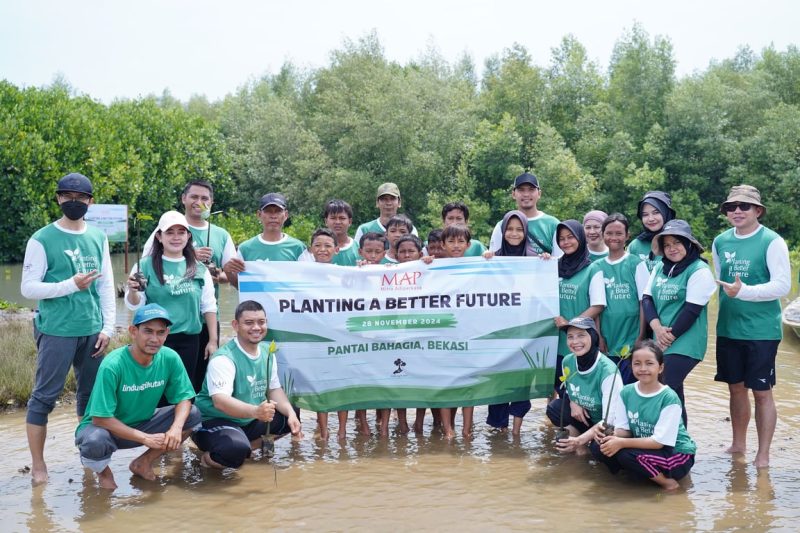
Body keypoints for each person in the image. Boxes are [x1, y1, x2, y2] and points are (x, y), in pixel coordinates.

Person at [20, 172, 115, 485]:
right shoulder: (42, 238)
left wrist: (108, 327)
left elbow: (106, 286)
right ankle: (38, 465)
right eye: (67, 196)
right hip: (57, 330)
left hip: (92, 330)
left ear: (90, 201)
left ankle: (90, 459)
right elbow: (28, 289)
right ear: (59, 198)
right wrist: (69, 285)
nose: (73, 202)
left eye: (80, 197)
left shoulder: (98, 237)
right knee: (43, 398)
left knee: (89, 399)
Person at [74, 304, 201, 490]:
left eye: (160, 332)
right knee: (95, 442)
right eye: (148, 331)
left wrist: (176, 428)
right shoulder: (113, 364)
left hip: (143, 423)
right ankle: (104, 473)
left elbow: (184, 398)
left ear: (167, 334)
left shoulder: (170, 357)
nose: (154, 339)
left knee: (193, 414)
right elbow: (100, 418)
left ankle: (143, 462)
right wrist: (144, 438)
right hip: (106, 430)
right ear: (133, 331)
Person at [712, 185, 791, 468]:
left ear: (757, 210)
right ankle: (738, 443)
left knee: (762, 392)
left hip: (762, 331)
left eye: (744, 206)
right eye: (731, 207)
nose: (737, 211)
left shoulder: (772, 241)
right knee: (735, 389)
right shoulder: (720, 241)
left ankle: (763, 454)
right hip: (728, 329)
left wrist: (744, 292)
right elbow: (720, 282)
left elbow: (783, 286)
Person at [143, 180, 236, 392]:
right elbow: (148, 266)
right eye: (194, 197)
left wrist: (214, 274)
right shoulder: (165, 228)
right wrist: (190, 257)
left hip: (205, 318)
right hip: (167, 321)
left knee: (200, 377)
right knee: (162, 380)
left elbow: (228, 275)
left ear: (211, 202)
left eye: (205, 198)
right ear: (184, 199)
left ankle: (194, 420)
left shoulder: (221, 235)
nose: (199, 202)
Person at [193, 300, 302, 469]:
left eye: (261, 322)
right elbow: (220, 401)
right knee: (234, 450)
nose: (256, 328)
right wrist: (256, 411)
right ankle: (209, 459)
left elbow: (273, 389)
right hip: (214, 420)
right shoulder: (224, 358)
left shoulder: (268, 351)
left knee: (291, 413)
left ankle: (247, 448)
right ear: (235, 325)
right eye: (249, 323)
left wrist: (291, 414)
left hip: (248, 418)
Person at [125, 211, 217, 392]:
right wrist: (133, 291)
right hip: (155, 339)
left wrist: (213, 340)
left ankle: (183, 420)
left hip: (190, 340)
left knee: (184, 389)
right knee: (155, 389)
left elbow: (209, 306)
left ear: (188, 236)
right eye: (170, 232)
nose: (176, 237)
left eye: (181, 232)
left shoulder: (199, 269)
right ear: (159, 236)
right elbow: (134, 304)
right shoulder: (144, 265)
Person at [590, 340, 696, 491]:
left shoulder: (669, 397)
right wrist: (607, 433)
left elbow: (658, 442)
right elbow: (624, 431)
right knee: (598, 445)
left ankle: (667, 483)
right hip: (646, 449)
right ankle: (635, 475)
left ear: (660, 368)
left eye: (649, 363)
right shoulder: (626, 392)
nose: (643, 368)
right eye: (637, 363)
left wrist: (620, 443)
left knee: (626, 454)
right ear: (631, 366)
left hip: (676, 454)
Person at [641, 220, 716, 426]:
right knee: (673, 390)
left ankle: (670, 440)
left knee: (666, 386)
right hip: (661, 337)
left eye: (677, 243)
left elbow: (692, 310)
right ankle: (679, 439)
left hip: (686, 341)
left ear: (688, 244)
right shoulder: (659, 268)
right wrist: (656, 327)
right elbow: (647, 299)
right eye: (667, 245)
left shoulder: (699, 270)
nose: (672, 248)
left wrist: (668, 337)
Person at [483, 211, 538, 434]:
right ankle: (499, 429)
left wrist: (545, 262)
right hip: (500, 331)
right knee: (498, 380)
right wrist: (485, 262)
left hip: (527, 330)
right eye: (510, 229)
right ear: (503, 231)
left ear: (526, 232)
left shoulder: (536, 259)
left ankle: (516, 432)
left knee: (521, 381)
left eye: (519, 229)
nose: (514, 233)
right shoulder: (493, 258)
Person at [546, 317, 622, 453]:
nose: (575, 342)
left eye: (581, 335)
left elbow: (609, 421)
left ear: (593, 337)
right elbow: (569, 391)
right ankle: (579, 450)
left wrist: (580, 440)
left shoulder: (609, 372)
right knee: (555, 408)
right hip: (585, 419)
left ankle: (582, 444)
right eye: (570, 337)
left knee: (598, 448)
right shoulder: (567, 361)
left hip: (607, 425)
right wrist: (573, 403)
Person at [552, 220, 606, 394]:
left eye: (570, 237)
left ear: (581, 238)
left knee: (581, 391)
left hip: (580, 339)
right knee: (560, 389)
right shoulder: (553, 267)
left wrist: (571, 326)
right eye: (561, 239)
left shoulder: (593, 268)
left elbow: (597, 305)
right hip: (556, 340)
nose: (566, 242)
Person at [595, 213, 649, 384]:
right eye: (609, 233)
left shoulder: (636, 264)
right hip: (607, 339)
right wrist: (598, 337)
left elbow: (644, 302)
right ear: (603, 235)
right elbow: (596, 306)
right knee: (610, 387)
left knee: (629, 387)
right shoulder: (596, 267)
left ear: (627, 236)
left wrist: (640, 336)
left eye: (619, 233)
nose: (614, 237)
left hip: (631, 338)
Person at [223, 192, 306, 288]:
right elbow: (240, 286)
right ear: (259, 214)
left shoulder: (298, 248)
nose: (273, 216)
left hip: (288, 303)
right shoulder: (245, 248)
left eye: (278, 211)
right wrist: (228, 272)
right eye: (268, 211)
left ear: (286, 215)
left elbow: (307, 283)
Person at [438, 223, 475, 438]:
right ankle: (448, 429)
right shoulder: (433, 267)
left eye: (461, 241)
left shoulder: (479, 266)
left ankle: (467, 429)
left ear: (468, 244)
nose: (456, 245)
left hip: (469, 334)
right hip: (442, 335)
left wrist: (490, 259)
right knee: (446, 382)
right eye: (451, 241)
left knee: (468, 383)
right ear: (442, 244)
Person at [489, 172, 561, 257]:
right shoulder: (502, 225)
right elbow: (493, 260)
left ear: (539, 194)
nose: (526, 194)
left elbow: (559, 260)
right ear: (513, 194)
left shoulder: (553, 224)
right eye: (521, 190)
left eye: (531, 189)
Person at [299, 200, 360, 266]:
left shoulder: (360, 250)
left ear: (350, 221)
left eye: (342, 218)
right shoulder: (309, 254)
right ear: (326, 221)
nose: (337, 222)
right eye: (333, 218)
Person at [353, 182, 418, 243]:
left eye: (392, 199)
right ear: (377, 203)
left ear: (399, 202)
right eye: (384, 199)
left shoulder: (410, 229)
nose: (388, 203)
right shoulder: (364, 229)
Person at [628, 191, 676, 273]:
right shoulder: (635, 246)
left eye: (656, 212)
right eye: (645, 215)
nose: (651, 219)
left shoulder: (679, 241)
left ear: (666, 213)